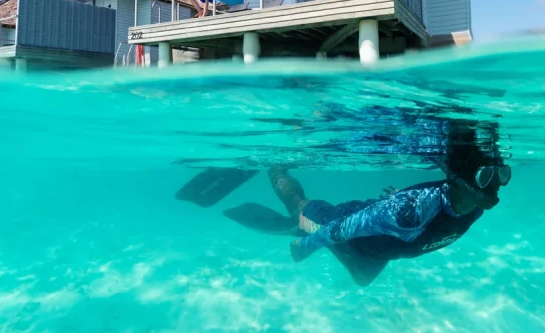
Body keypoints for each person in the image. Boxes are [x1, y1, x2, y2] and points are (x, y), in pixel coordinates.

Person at [176, 120, 511, 286]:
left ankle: (298, 225)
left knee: (364, 280)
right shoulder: (408, 212)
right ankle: (275, 164)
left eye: (502, 174)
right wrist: (307, 245)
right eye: (486, 177)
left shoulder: (474, 205)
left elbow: (426, 208)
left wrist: (391, 211)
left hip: (374, 245)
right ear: (458, 179)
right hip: (343, 226)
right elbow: (341, 227)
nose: (496, 186)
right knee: (300, 207)